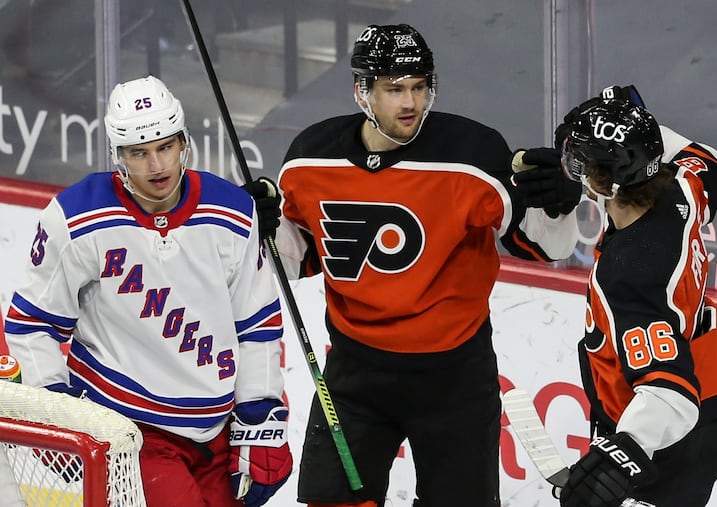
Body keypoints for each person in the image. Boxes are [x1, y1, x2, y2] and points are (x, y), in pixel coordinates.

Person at [247, 23, 581, 507]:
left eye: (420, 87)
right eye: (395, 89)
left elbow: (543, 248)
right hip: (354, 377)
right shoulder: (309, 158)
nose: (411, 104)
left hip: (454, 380)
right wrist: (262, 226)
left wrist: (560, 204)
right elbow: (297, 261)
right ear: (362, 91)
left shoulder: (471, 154)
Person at [3, 75, 292, 507]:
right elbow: (32, 322)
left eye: (165, 147)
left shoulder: (232, 211)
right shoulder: (77, 217)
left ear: (183, 144)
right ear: (118, 156)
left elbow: (257, 322)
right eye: (139, 153)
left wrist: (259, 411)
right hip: (127, 428)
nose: (156, 166)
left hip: (217, 426)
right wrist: (57, 407)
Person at [554, 87, 717, 507]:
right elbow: (710, 162)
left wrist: (621, 454)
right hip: (708, 416)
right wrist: (630, 124)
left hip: (665, 444)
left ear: (602, 181)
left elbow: (669, 391)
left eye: (582, 164)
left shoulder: (630, 275)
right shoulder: (681, 190)